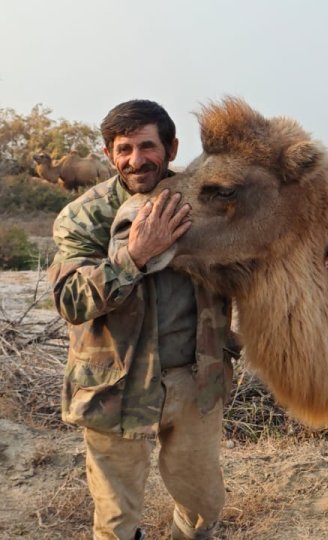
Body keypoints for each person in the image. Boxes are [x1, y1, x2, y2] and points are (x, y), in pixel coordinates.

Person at [47, 99, 237, 540]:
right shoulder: (83, 217)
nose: (136, 160)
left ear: (171, 147)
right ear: (110, 154)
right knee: (115, 523)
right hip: (114, 389)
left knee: (203, 509)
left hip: (194, 384)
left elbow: (268, 244)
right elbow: (72, 301)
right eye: (124, 149)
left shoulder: (208, 203)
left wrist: (324, 246)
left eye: (147, 146)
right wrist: (133, 257)